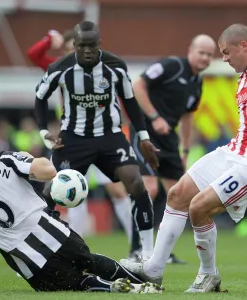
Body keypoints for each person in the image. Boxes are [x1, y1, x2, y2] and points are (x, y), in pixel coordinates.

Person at [0, 126, 163, 294]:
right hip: (53, 232)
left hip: (28, 262)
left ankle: (106, 287)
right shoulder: (2, 159)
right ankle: (143, 282)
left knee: (76, 283)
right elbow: (49, 171)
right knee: (88, 260)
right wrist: (28, 158)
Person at [125, 23, 247, 293]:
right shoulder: (241, 76)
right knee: (178, 194)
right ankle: (153, 270)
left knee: (198, 208)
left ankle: (208, 274)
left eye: (226, 52)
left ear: (244, 46)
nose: (222, 59)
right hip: (234, 150)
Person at [35, 20, 159, 260]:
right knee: (50, 194)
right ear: (75, 45)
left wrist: (143, 136)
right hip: (73, 139)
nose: (88, 50)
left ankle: (145, 254)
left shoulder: (115, 66)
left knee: (136, 185)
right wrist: (43, 131)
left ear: (99, 44)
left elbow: (130, 101)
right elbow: (40, 98)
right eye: (83, 46)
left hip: (110, 137)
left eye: (92, 45)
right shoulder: (60, 68)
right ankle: (40, 253)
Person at [124, 33, 216, 264]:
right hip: (145, 133)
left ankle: (163, 252)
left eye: (209, 55)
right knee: (149, 189)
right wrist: (154, 117)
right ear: (190, 50)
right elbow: (138, 85)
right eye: (201, 52)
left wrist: (185, 150)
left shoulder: (197, 82)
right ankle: (137, 249)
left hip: (168, 140)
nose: (205, 58)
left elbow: (187, 117)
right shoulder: (171, 65)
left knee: (178, 196)